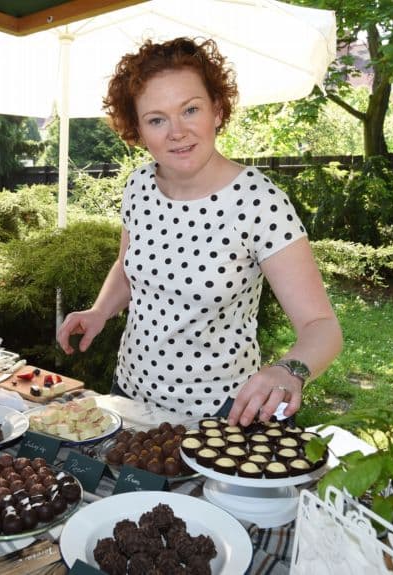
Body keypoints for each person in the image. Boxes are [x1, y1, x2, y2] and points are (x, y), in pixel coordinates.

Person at [56, 37, 342, 427]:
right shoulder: (139, 185)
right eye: (157, 119)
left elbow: (321, 327)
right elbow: (127, 263)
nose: (177, 131)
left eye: (190, 109)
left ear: (218, 111)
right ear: (138, 131)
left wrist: (289, 370)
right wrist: (100, 311)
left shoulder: (259, 202)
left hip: (222, 413)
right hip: (131, 397)